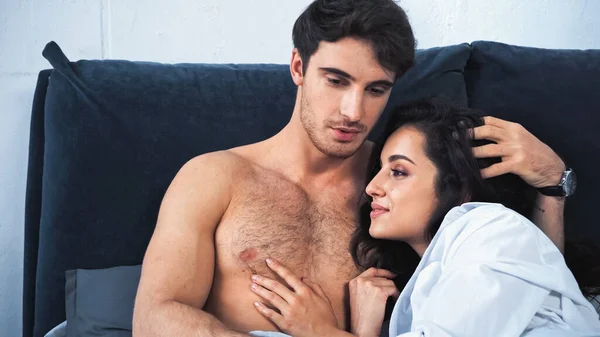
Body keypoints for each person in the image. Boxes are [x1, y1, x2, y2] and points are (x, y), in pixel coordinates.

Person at [131, 1, 571, 336]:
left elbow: (527, 282)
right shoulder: (214, 176)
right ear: (299, 67)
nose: (353, 111)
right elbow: (155, 316)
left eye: (376, 89)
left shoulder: (404, 182)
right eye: (336, 80)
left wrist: (552, 181)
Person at [248, 99, 600, 337]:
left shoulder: (492, 229)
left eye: (399, 171)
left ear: (459, 189)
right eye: (379, 169)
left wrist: (322, 331)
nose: (371, 187)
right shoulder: (434, 280)